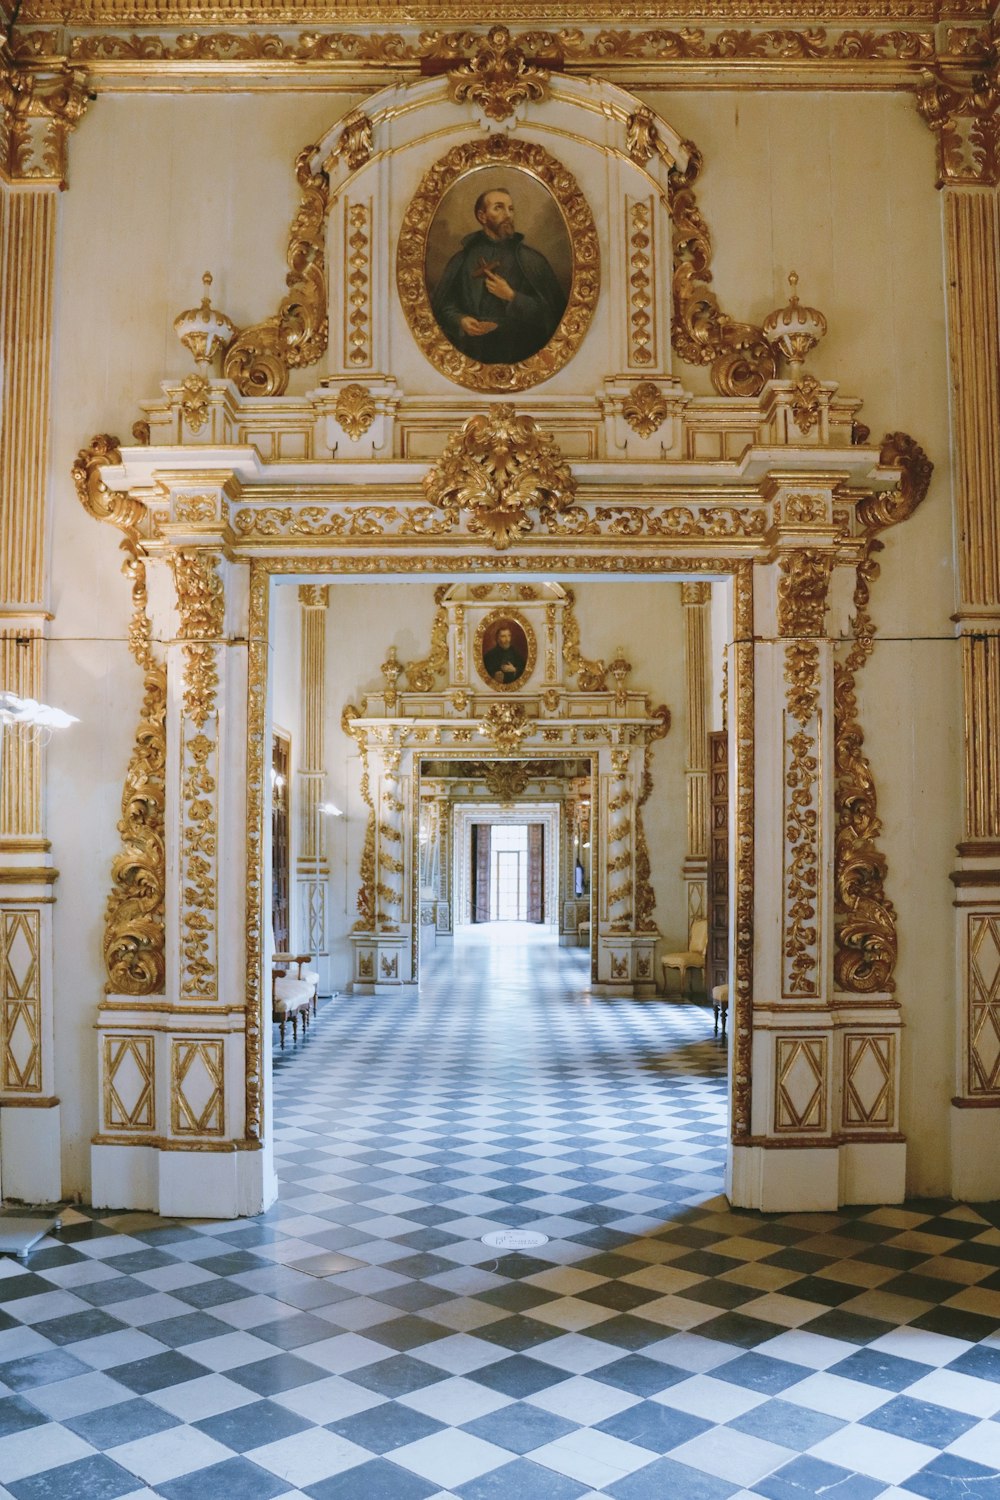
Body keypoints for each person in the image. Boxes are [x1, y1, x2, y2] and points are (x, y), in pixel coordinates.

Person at [431, 187, 567, 364]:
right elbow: (443, 306)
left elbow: (554, 314)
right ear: (482, 216)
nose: (508, 214)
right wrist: (461, 320)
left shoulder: (531, 260)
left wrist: (512, 296)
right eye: (499, 208)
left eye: (511, 209)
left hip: (519, 351)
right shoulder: (462, 259)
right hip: (471, 352)